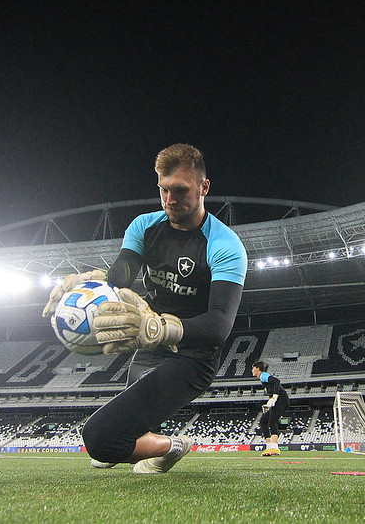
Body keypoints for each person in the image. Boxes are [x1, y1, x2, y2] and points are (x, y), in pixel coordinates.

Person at [43, 143, 247, 473]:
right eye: (164, 190)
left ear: (203, 187)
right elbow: (123, 273)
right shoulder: (144, 226)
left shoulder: (225, 245)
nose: (170, 199)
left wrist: (161, 328)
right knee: (112, 448)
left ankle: (175, 444)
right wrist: (90, 281)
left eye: (180, 190)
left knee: (100, 439)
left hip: (193, 356)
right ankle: (158, 445)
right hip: (150, 346)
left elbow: (220, 324)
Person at [251, 361, 289, 456]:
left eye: (253, 368)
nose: (252, 370)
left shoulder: (263, 375)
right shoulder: (262, 378)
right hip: (279, 399)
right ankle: (269, 447)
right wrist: (270, 401)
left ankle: (275, 448)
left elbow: (276, 381)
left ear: (258, 369)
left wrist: (274, 397)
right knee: (263, 421)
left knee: (272, 421)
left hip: (281, 399)